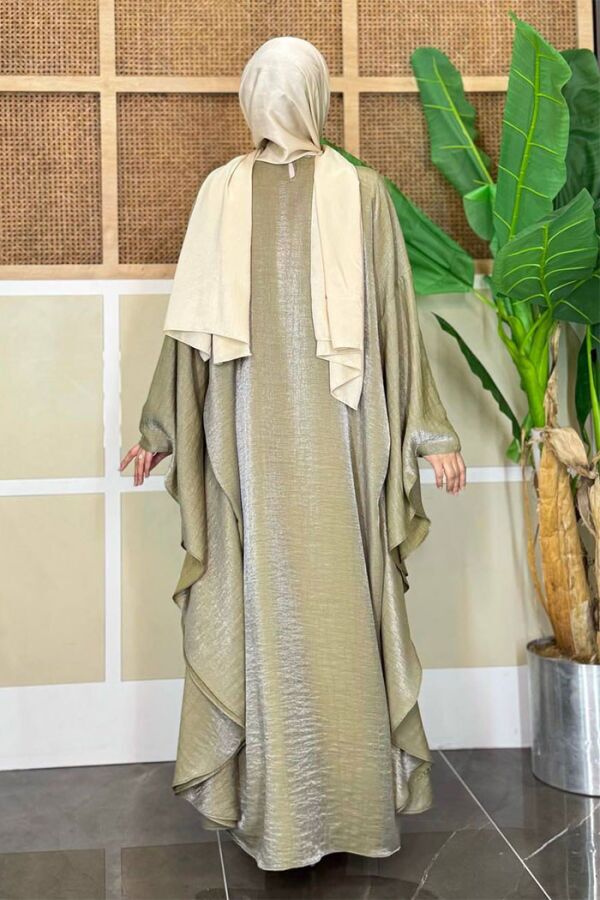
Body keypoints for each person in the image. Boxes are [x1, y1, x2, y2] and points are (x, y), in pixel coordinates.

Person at [120, 35, 466, 872]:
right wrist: (160, 430)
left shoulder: (362, 193)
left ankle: (346, 807)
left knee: (341, 609)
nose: (275, 97)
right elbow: (190, 331)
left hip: (343, 441)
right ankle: (277, 815)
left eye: (287, 84)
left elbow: (394, 321)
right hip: (249, 442)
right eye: (266, 84)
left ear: (308, 95)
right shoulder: (221, 191)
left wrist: (431, 433)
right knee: (260, 607)